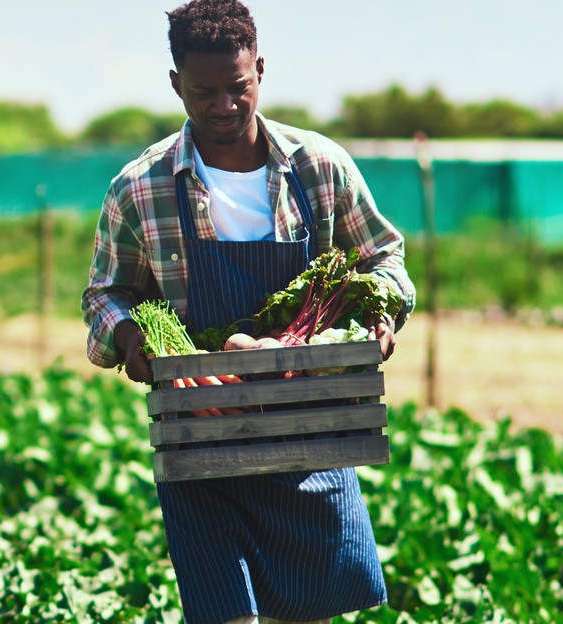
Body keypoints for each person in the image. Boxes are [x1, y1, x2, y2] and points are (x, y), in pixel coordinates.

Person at [80, 1, 417, 622]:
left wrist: (382, 317)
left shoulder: (319, 167)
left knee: (313, 611)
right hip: (200, 440)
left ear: (260, 69)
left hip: (310, 431)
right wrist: (131, 339)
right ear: (176, 82)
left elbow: (385, 258)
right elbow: (105, 292)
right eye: (204, 91)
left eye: (239, 87)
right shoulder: (141, 185)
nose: (224, 104)